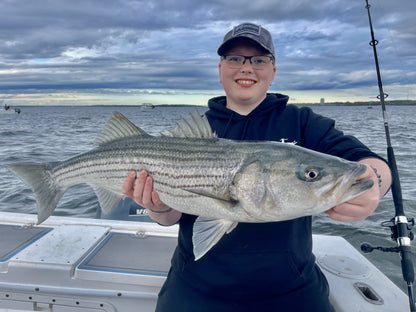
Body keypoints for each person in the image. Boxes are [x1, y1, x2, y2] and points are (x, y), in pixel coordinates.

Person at [122, 23, 392, 311]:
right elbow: (168, 218)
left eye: (259, 60)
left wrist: (373, 183)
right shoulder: (192, 135)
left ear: (273, 72)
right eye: (235, 59)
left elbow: (366, 162)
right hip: (195, 289)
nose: (246, 68)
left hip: (292, 291)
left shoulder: (303, 122)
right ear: (220, 69)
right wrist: (160, 207)